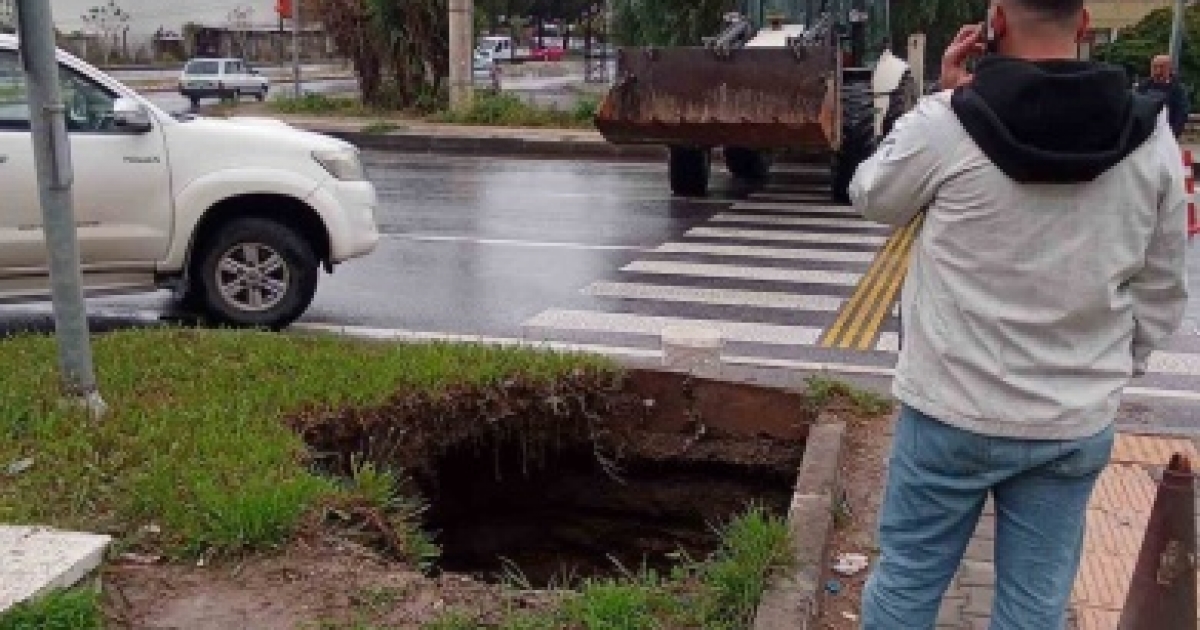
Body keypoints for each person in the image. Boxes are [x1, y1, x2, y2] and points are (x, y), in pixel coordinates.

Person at [848, 0, 1190, 628]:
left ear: (995, 23)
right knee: (1035, 608)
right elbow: (1164, 284)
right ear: (1084, 24)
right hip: (1071, 420)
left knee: (907, 588)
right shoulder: (1152, 137)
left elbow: (873, 196)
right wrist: (1112, 366)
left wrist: (937, 97)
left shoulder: (947, 122)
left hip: (949, 410)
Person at [1137, 54, 1190, 138]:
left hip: (1166, 134)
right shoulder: (1143, 86)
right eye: (1154, 67)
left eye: (1162, 67)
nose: (1158, 71)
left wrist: (1173, 134)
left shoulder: (1178, 89)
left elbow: (1181, 114)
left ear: (1170, 69)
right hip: (1144, 134)